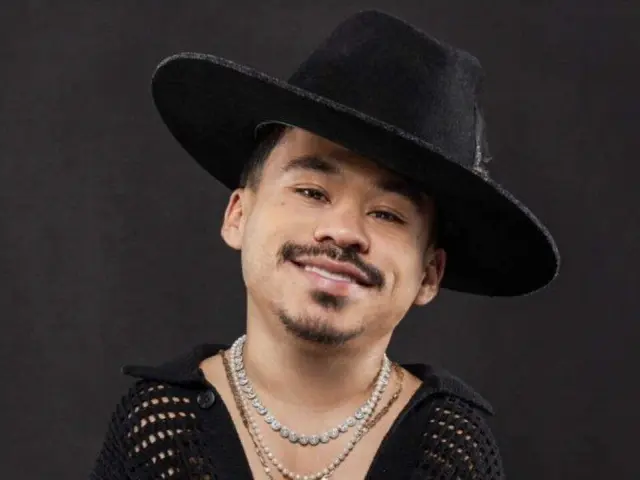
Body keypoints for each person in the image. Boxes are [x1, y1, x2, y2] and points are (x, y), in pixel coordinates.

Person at [89, 9, 559, 480]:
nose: (344, 231)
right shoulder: (160, 426)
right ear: (238, 216)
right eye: (312, 192)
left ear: (429, 274)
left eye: (387, 214)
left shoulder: (449, 447)